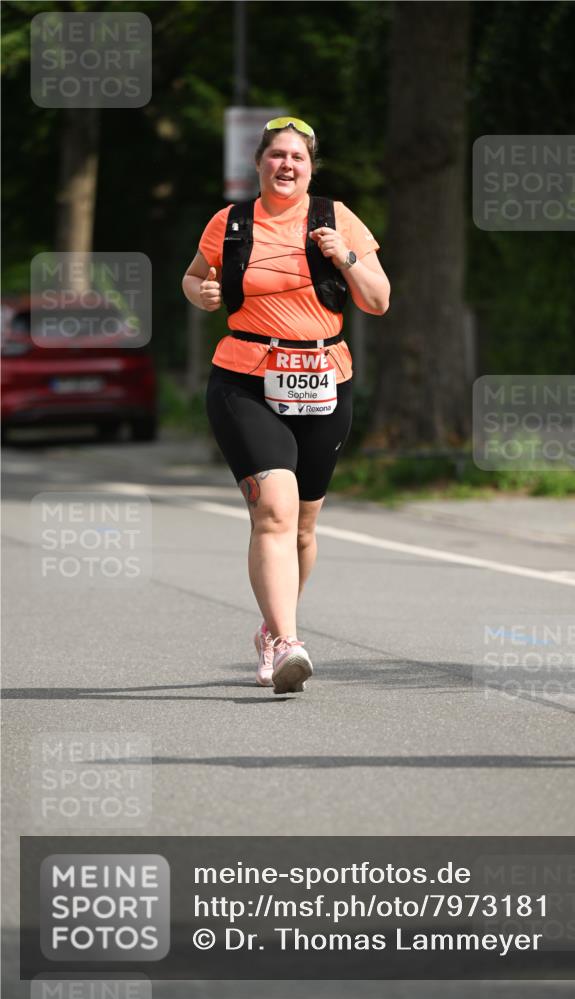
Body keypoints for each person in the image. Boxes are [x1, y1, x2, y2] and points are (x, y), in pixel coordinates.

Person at [182, 116, 390, 694]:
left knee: (302, 527)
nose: (286, 165)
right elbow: (194, 278)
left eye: (298, 157)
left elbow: (378, 301)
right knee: (274, 511)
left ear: (310, 168)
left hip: (325, 380)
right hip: (246, 380)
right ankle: (289, 643)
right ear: (259, 163)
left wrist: (346, 257)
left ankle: (271, 630)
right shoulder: (230, 223)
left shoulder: (337, 218)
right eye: (276, 155)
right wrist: (201, 292)